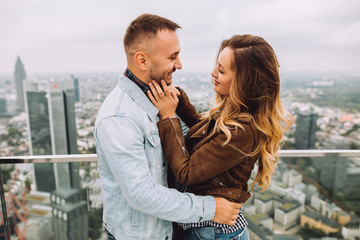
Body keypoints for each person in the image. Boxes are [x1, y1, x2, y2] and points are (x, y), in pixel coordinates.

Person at [93, 14, 241, 240]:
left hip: (169, 230)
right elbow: (142, 195)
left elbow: (191, 145)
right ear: (142, 60)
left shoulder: (162, 98)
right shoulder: (119, 117)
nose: (179, 65)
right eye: (173, 57)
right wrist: (211, 208)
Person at [147, 34, 294, 240]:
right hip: (208, 228)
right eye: (217, 66)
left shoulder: (244, 129)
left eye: (222, 70)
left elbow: (186, 172)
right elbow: (208, 140)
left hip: (213, 232)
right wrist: (178, 100)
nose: (213, 73)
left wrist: (169, 117)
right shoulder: (236, 115)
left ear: (244, 82)